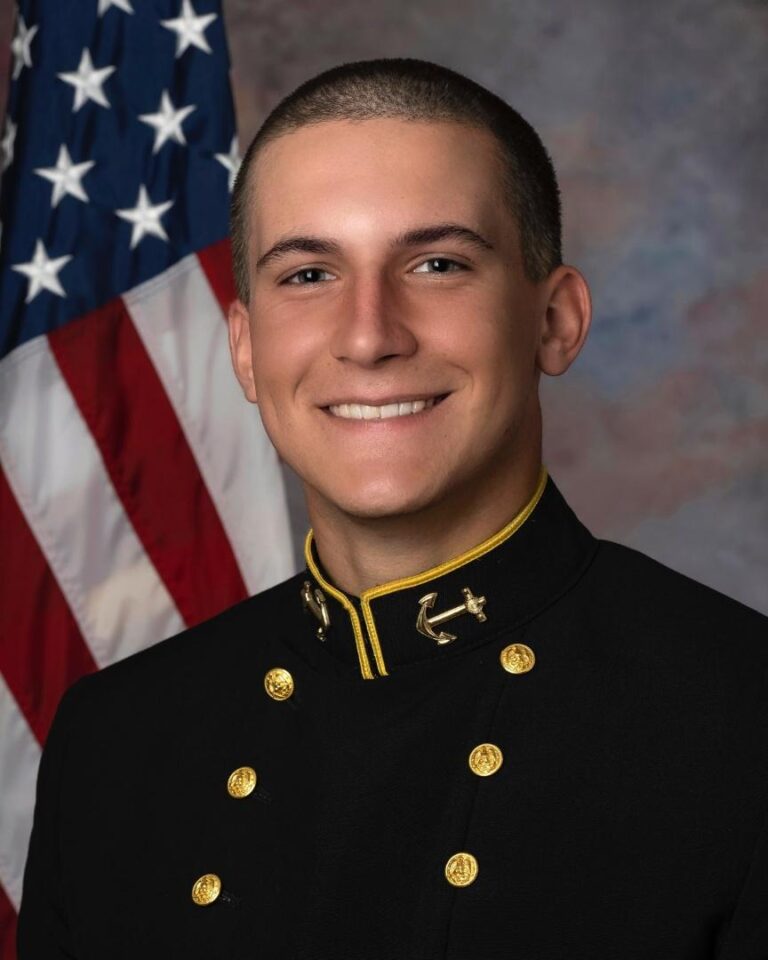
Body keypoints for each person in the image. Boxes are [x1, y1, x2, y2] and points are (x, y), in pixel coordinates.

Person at [18, 58, 768, 960]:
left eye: (439, 263)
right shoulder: (114, 743)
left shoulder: (739, 719)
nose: (371, 334)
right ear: (246, 352)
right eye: (307, 275)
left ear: (556, 322)